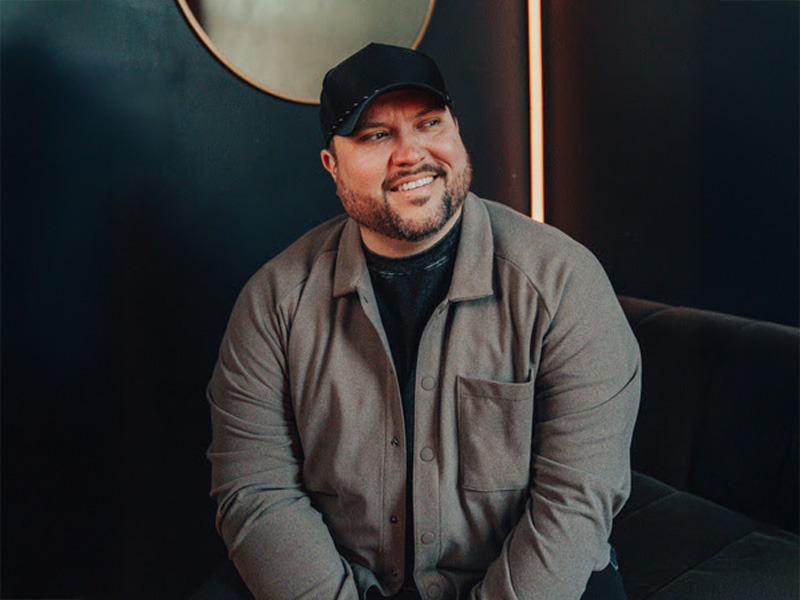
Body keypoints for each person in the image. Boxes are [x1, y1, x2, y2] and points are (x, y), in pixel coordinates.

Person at [206, 42, 641, 600]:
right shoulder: (273, 303)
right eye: (375, 136)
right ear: (332, 166)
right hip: (347, 583)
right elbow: (256, 491)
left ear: (456, 130)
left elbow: (576, 500)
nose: (411, 154)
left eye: (429, 123)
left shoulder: (564, 283)